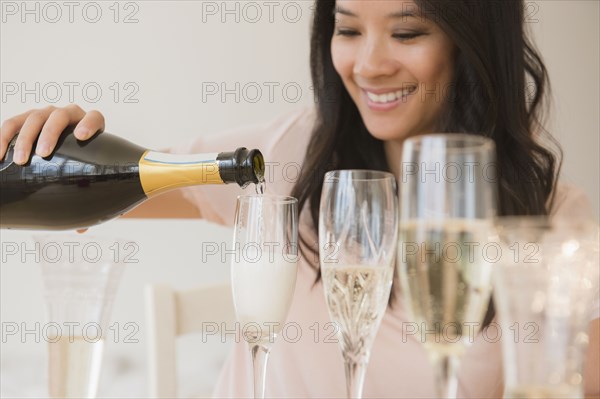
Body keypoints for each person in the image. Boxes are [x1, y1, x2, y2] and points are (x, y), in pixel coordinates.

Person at [1, 1, 598, 397]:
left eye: (408, 32)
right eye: (347, 29)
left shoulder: (551, 226)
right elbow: (96, 197)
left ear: (472, 40)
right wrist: (52, 145)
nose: (369, 64)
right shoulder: (282, 157)